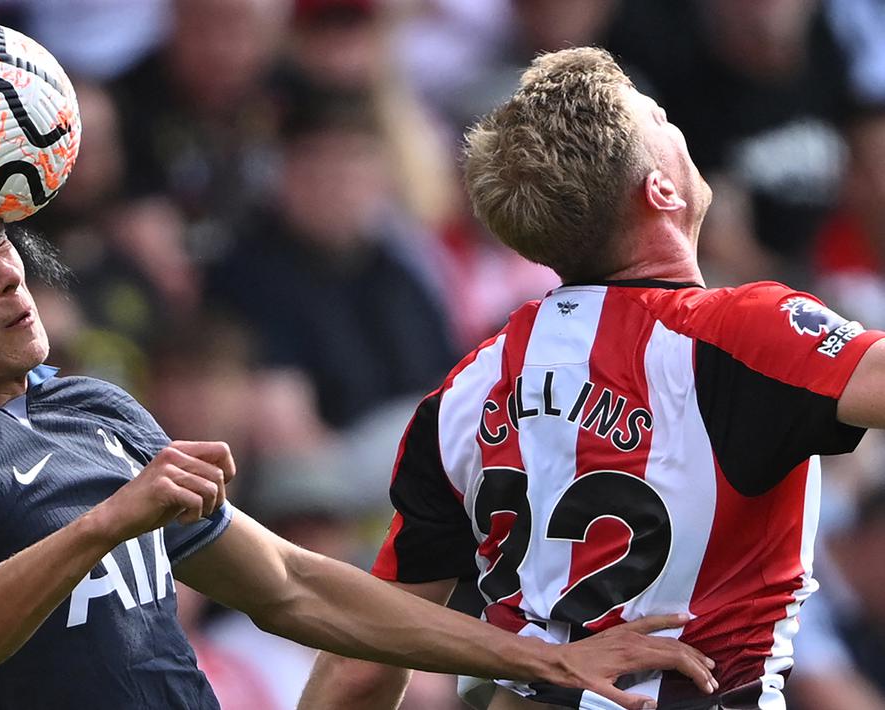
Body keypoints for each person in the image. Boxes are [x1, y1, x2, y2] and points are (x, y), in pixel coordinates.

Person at [0, 146, 718, 710]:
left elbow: (289, 585)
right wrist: (105, 525)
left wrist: (544, 659)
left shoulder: (91, 410)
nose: (7, 274)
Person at [301, 46, 885, 710]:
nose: (675, 123)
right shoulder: (741, 332)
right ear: (660, 189)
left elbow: (360, 664)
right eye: (658, 118)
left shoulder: (466, 389)